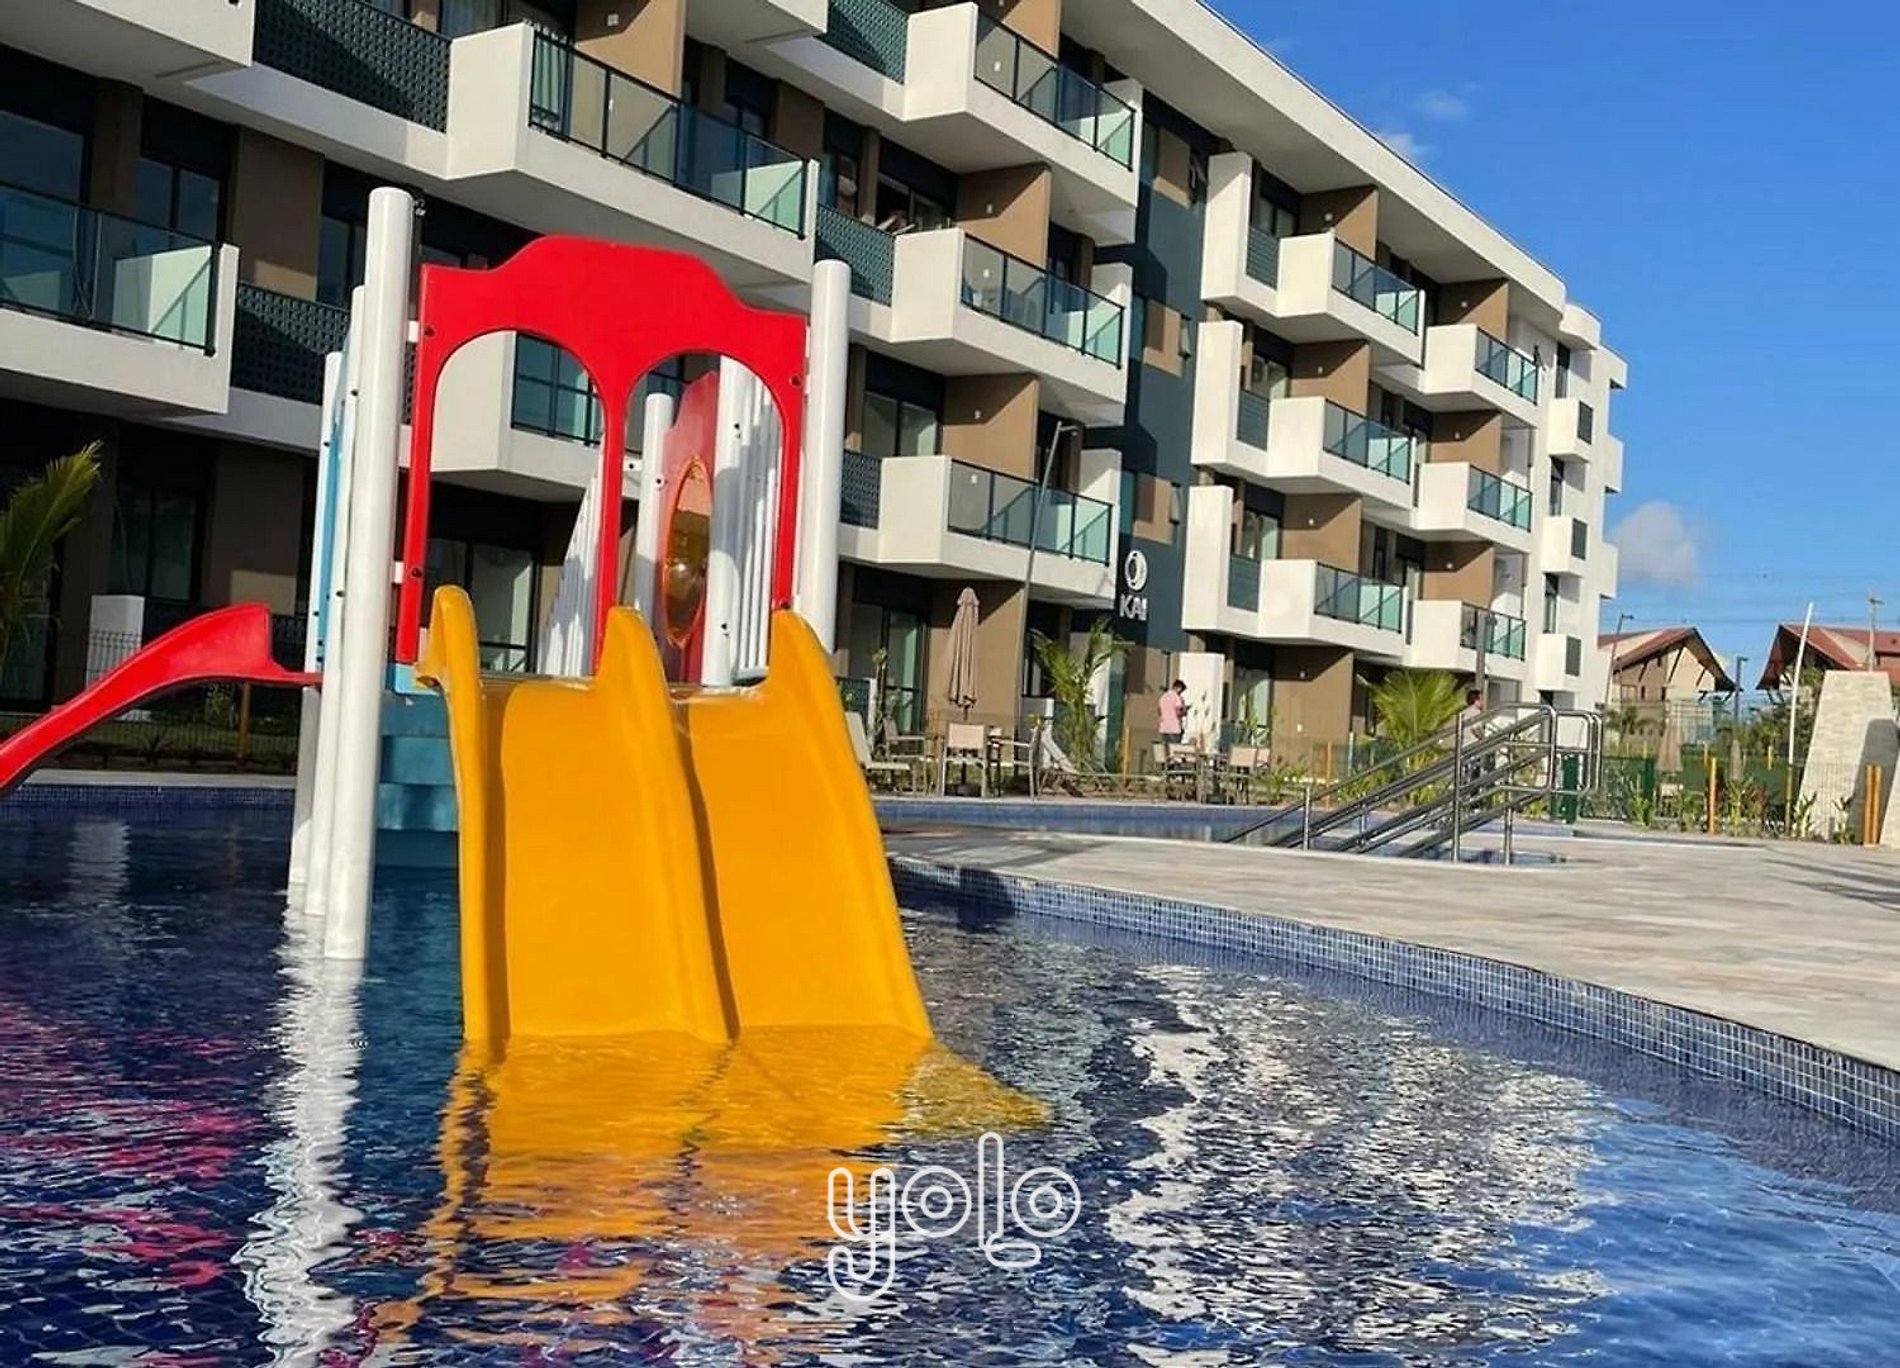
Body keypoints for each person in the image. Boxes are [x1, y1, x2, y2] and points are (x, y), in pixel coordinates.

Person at [1158, 679, 1189, 746]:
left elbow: (1159, 711)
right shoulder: (1176, 697)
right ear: (1179, 688)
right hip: (1174, 728)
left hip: (1164, 728)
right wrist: (1184, 711)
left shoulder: (1163, 697)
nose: (1181, 692)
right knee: (1174, 748)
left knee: (1165, 749)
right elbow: (1178, 712)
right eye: (1181, 690)